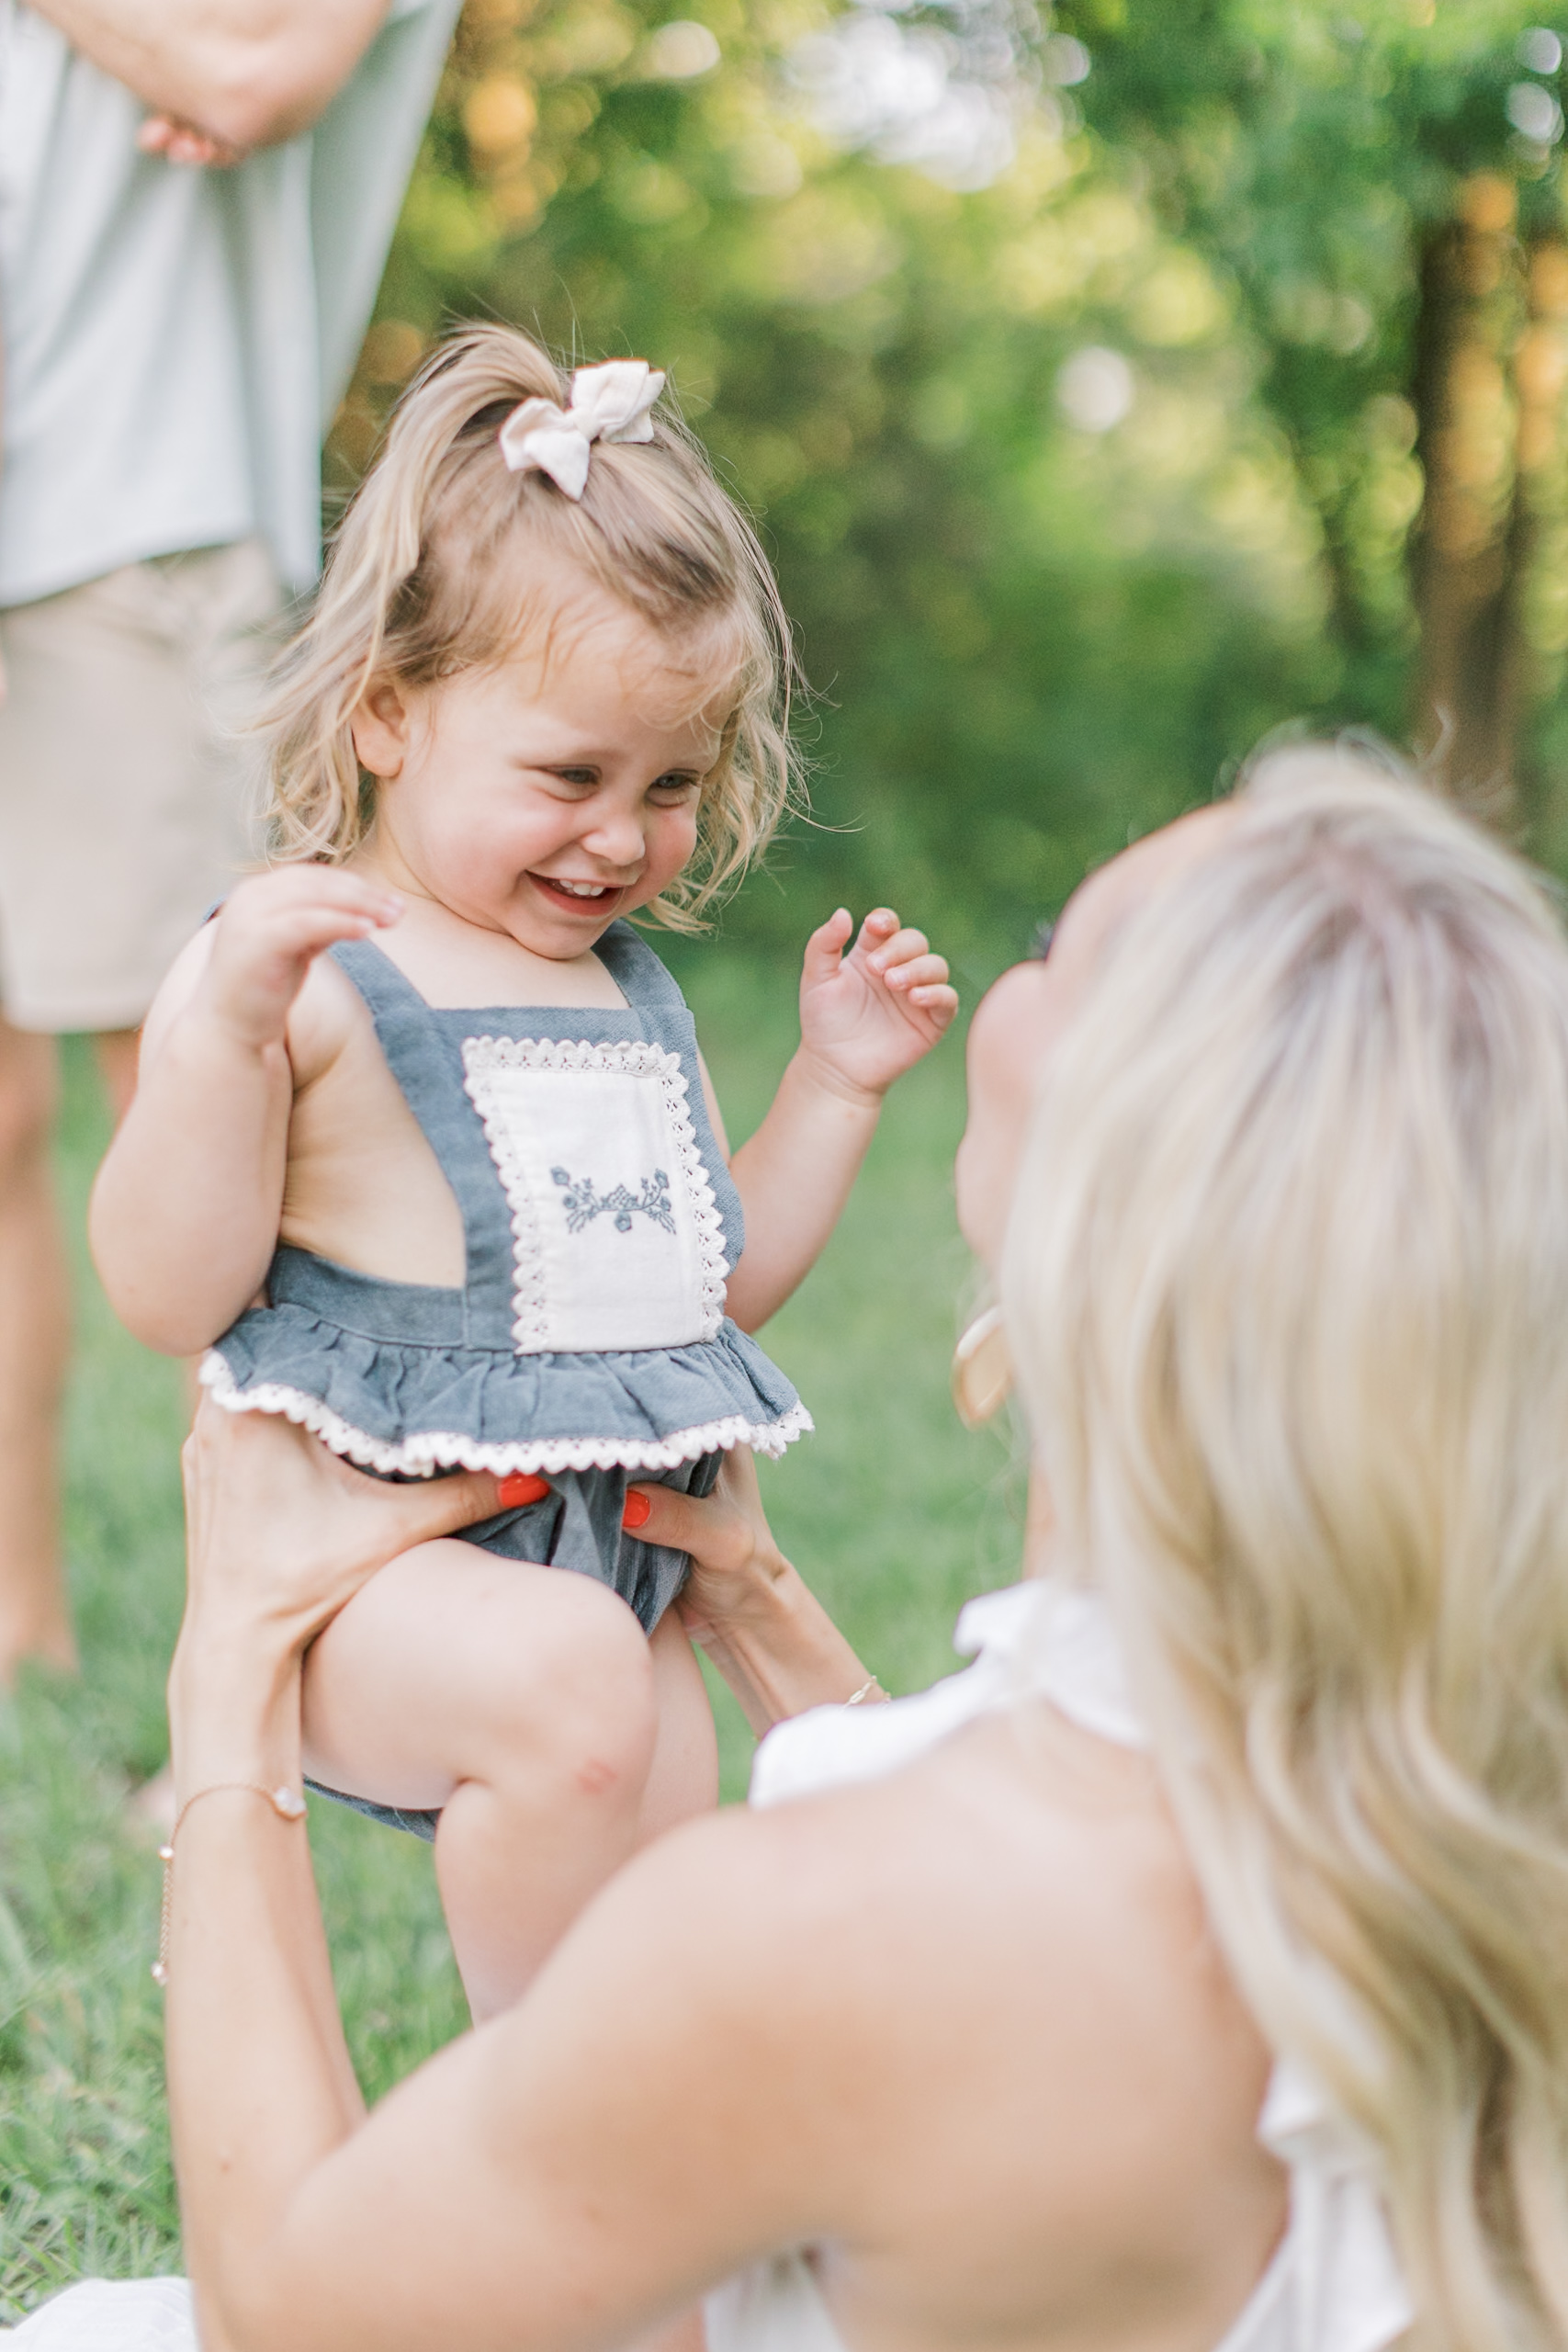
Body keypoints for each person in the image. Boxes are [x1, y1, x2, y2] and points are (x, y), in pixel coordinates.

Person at [28, 736, 1564, 2352]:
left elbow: (288, 2311)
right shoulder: (1466, 1823)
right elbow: (1004, 1822)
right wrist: (758, 1599)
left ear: (1101, 1202)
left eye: (1052, 943)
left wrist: (229, 1705)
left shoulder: (787, 1943)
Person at [88, 323, 958, 2018]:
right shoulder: (306, 964)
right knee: (569, 1681)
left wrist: (835, 1092)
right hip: (374, 1582)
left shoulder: (625, 999)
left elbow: (698, 1289)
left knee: (659, 1897)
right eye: (570, 776)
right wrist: (220, 1044)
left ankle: (613, 2193)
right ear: (389, 714)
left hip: (613, 1576)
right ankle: (519, 2149)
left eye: (672, 786)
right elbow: (164, 1290)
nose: (621, 838)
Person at [0, 0, 463, 1679]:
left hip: (139, 515)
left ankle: (272, 1661)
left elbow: (253, 73)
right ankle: (19, 1630)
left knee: (198, 1109)